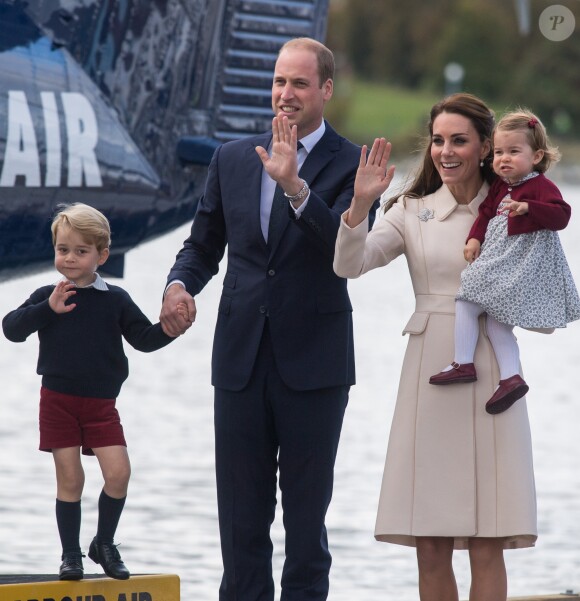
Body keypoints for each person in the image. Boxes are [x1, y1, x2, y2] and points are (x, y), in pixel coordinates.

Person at [159, 37, 382, 601]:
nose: (286, 94)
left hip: (315, 365)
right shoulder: (232, 157)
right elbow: (202, 245)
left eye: (300, 84)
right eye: (280, 81)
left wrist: (295, 188)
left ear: (326, 90)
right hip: (238, 361)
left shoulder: (357, 166)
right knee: (240, 525)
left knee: (306, 529)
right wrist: (179, 286)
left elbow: (346, 253)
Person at [334, 93, 537, 601]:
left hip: (493, 371)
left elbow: (543, 284)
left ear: (487, 146)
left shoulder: (516, 206)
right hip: (430, 372)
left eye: (459, 141)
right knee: (431, 541)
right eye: (438, 140)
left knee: (488, 540)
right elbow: (349, 266)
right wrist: (361, 205)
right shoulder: (410, 209)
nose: (446, 152)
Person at [2, 203, 176, 581]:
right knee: (71, 480)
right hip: (57, 403)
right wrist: (47, 309)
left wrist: (169, 329)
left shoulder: (116, 300)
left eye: (81, 252)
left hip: (101, 406)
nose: (70, 259)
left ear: (102, 255)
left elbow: (144, 340)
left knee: (118, 473)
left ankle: (104, 543)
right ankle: (70, 556)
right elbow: (11, 328)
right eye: (63, 250)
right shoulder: (48, 294)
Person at [430, 109, 580, 414]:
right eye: (499, 152)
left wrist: (528, 207)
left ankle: (463, 362)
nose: (504, 159)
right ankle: (511, 377)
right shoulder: (499, 186)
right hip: (501, 259)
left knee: (467, 298)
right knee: (498, 324)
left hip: (518, 264)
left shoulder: (540, 186)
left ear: (536, 156)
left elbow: (562, 215)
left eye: (513, 152)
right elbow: (486, 212)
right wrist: (474, 238)